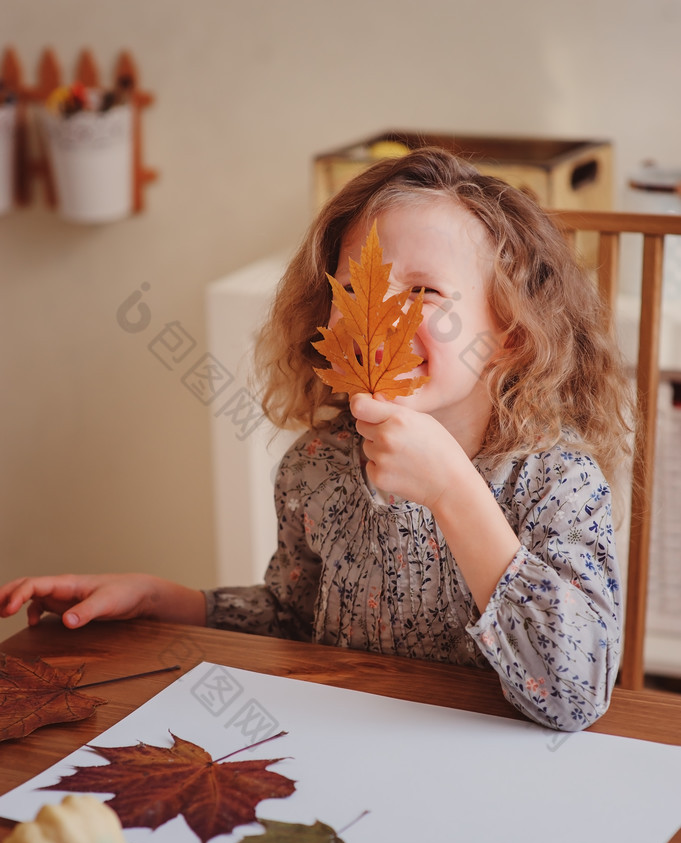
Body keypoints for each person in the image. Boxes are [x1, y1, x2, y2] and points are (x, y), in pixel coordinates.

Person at [0, 148, 634, 732]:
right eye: (355, 289)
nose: (381, 318)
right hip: (341, 752)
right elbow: (293, 619)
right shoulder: (316, 468)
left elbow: (574, 694)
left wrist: (453, 491)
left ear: (512, 336)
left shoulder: (558, 481)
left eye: (422, 292)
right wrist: (166, 600)